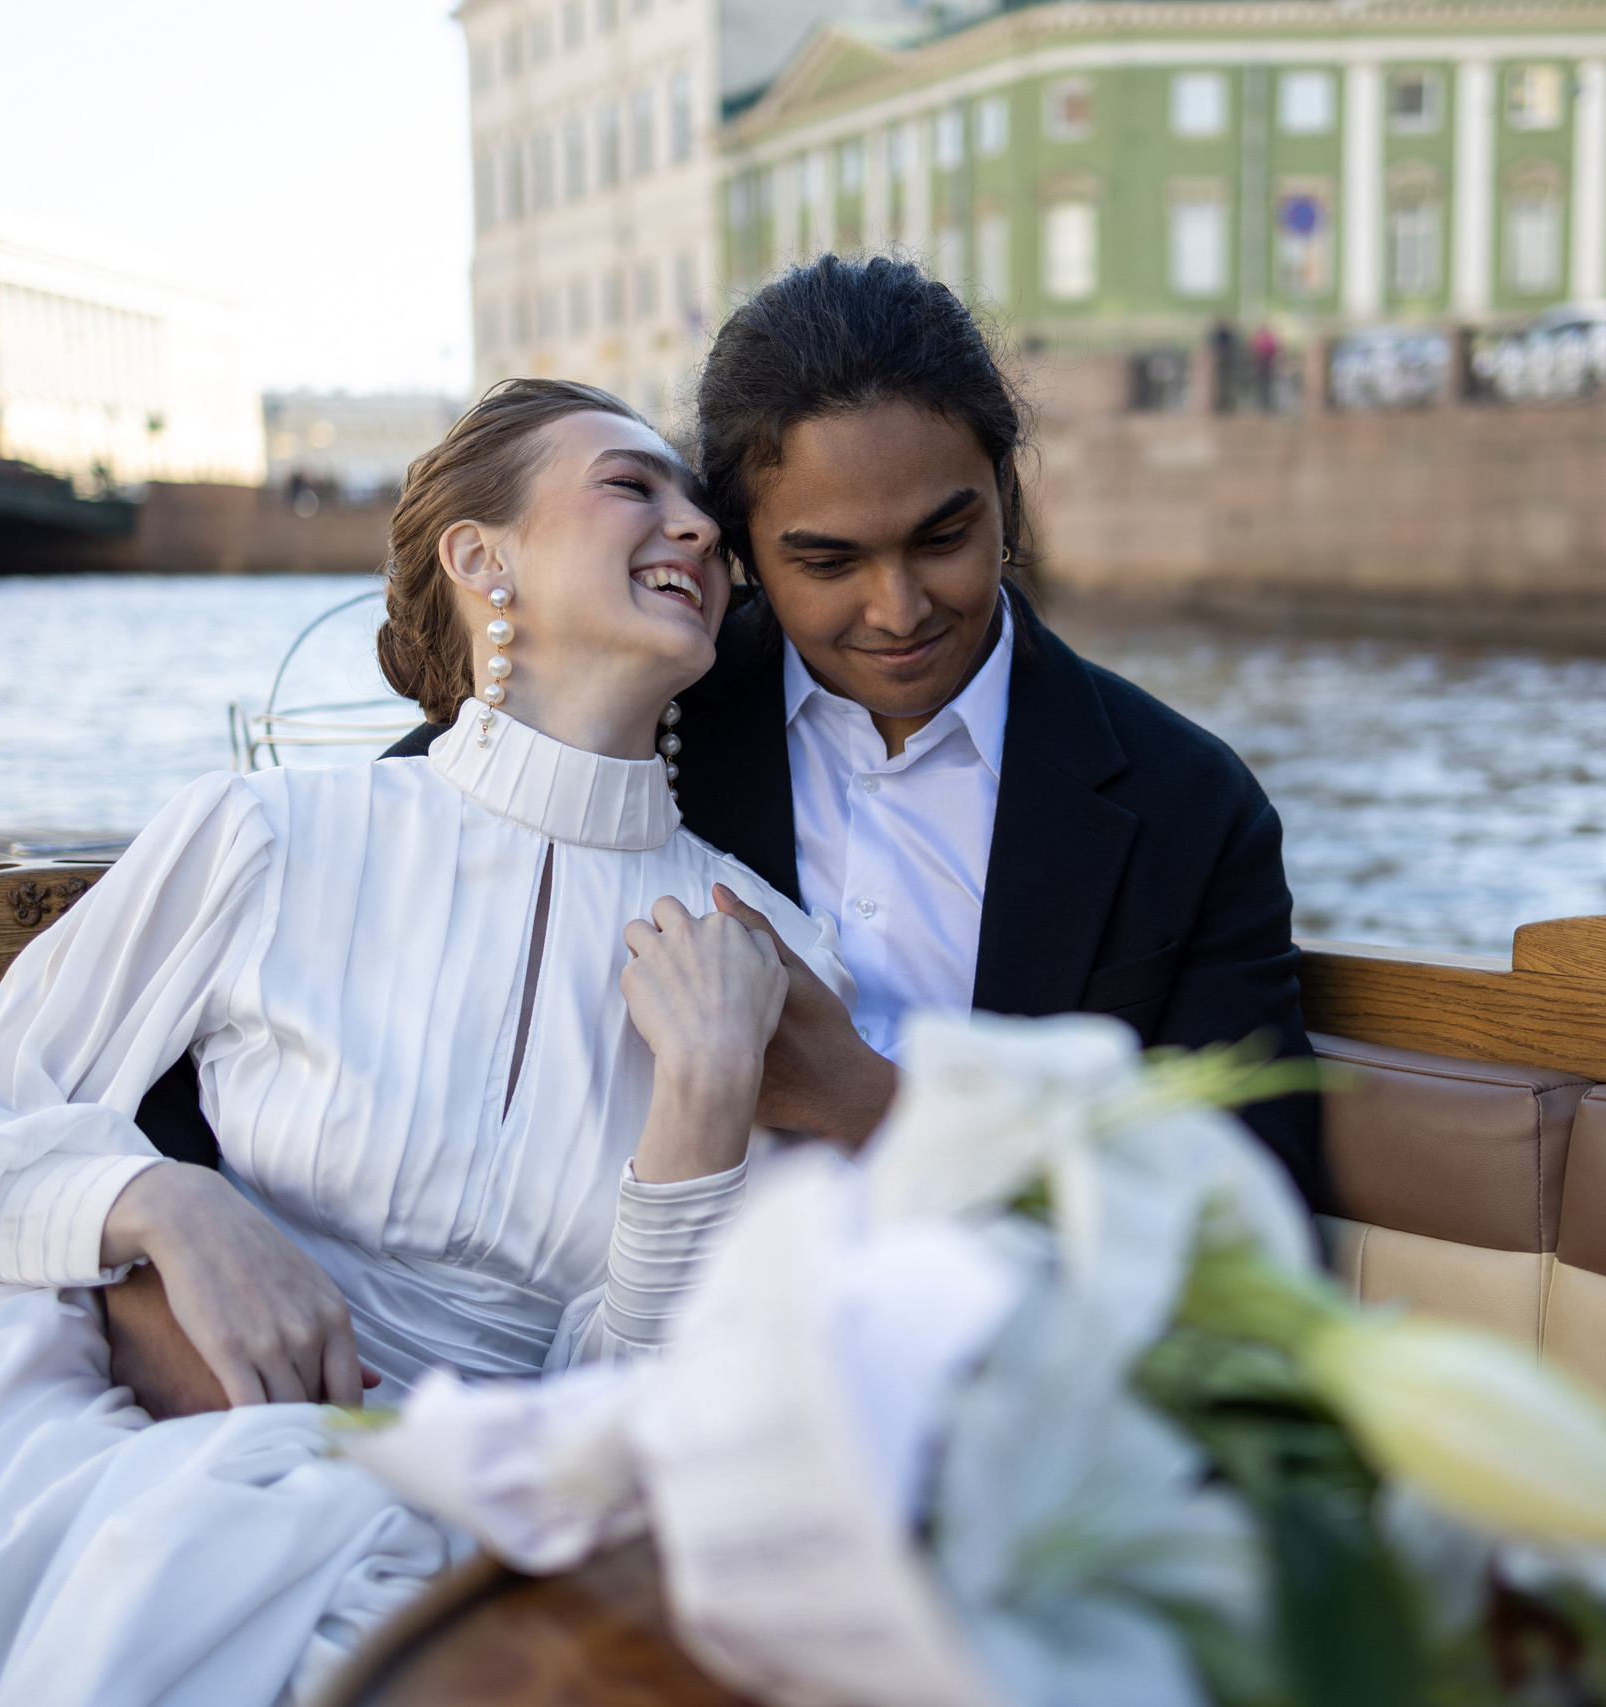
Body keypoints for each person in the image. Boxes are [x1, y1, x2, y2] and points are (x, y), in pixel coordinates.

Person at [0, 380, 840, 1706]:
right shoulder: (267, 834)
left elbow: (651, 1418)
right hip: (132, 1443)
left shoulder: (772, 954)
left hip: (489, 1511)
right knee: (32, 1536)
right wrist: (164, 1202)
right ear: (484, 558)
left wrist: (699, 1110)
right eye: (632, 486)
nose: (697, 527)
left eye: (700, 503)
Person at [381, 256, 1321, 1202]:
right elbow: (379, 842)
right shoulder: (642, 716)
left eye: (943, 538)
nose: (898, 608)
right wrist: (217, 1201)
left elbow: (1250, 1212)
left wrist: (864, 1100)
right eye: (829, 562)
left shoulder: (1186, 806)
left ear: (1005, 492)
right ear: (739, 550)